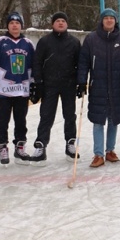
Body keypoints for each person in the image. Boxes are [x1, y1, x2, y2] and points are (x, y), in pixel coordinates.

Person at [76, 8, 120, 168]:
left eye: (112, 18)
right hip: (98, 85)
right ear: (101, 21)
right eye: (106, 18)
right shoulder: (91, 39)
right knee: (98, 120)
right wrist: (82, 81)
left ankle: (110, 150)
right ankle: (98, 154)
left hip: (116, 85)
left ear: (116, 21)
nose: (109, 20)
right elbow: (83, 62)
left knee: (113, 119)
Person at [0, 12, 36, 165]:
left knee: (21, 121)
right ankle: (2, 146)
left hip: (22, 89)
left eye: (17, 23)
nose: (14, 25)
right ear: (7, 25)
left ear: (21, 25)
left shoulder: (28, 43)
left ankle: (20, 147)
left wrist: (35, 83)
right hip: (3, 91)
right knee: (2, 121)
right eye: (11, 22)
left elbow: (33, 66)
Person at [29, 11, 81, 163]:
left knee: (70, 115)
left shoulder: (74, 42)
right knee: (46, 115)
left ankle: (70, 143)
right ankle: (41, 145)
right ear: (52, 24)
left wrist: (80, 82)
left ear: (67, 24)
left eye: (63, 21)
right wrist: (38, 82)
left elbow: (81, 64)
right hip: (49, 85)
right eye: (57, 21)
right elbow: (37, 63)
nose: (60, 23)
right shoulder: (44, 42)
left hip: (68, 84)